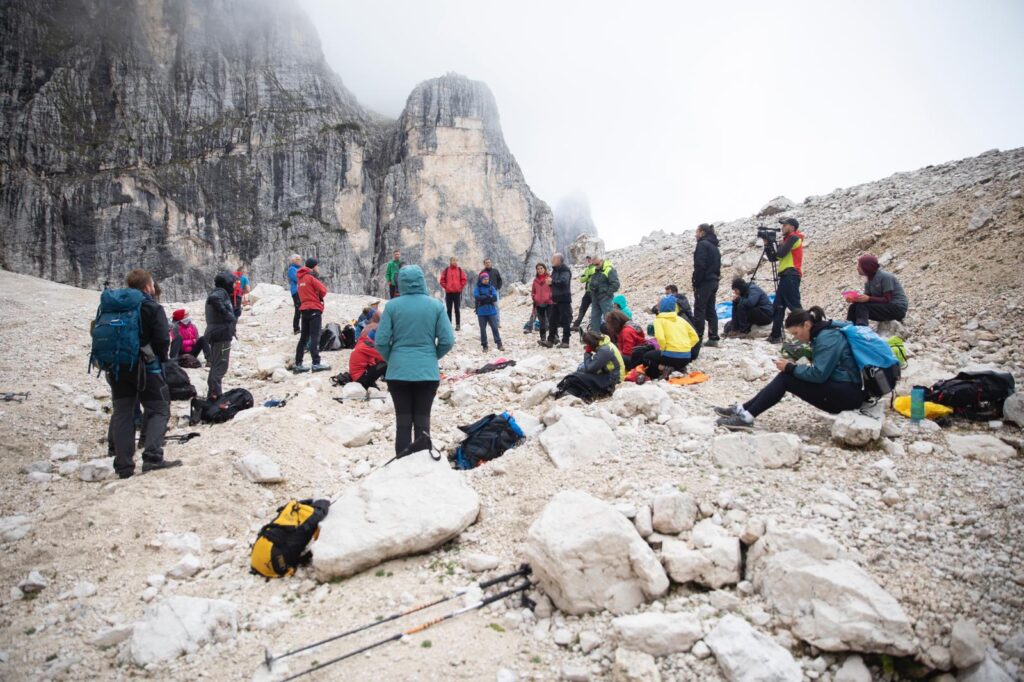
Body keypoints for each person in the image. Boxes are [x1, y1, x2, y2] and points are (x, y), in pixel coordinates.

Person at [715, 307, 864, 430]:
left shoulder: (827, 338)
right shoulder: (824, 334)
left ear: (806, 325)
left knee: (786, 378)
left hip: (848, 395)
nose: (796, 338)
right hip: (846, 388)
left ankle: (746, 417)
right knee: (786, 377)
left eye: (796, 333)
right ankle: (743, 410)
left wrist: (791, 368)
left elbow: (819, 374)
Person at [106, 269, 180, 478]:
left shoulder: (113, 305)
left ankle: (124, 466)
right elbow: (162, 339)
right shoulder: (150, 306)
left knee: (123, 412)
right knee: (159, 408)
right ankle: (152, 458)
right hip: (146, 365)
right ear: (148, 286)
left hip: (117, 366)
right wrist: (162, 361)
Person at [374, 265, 455, 454]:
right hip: (427, 373)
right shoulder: (436, 306)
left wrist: (392, 359)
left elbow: (381, 342)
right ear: (422, 281)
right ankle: (422, 470)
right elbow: (448, 341)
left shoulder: (392, 306)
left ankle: (402, 467)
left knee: (402, 424)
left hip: (398, 373)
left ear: (400, 283)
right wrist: (432, 356)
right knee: (422, 421)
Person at [554, 330, 625, 400]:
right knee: (579, 373)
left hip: (614, 381)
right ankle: (569, 391)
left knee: (578, 376)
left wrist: (587, 353)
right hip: (610, 374)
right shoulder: (605, 344)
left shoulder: (604, 350)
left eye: (587, 344)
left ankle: (569, 393)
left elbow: (590, 369)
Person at [643, 295, 700, 379]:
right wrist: (686, 347)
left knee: (646, 357)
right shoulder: (681, 320)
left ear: (661, 308)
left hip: (670, 356)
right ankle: (677, 368)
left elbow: (660, 338)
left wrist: (663, 349)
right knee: (664, 357)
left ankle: (661, 370)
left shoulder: (659, 320)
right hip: (686, 357)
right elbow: (695, 338)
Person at [768, 217, 805, 344]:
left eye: (785, 225)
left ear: (792, 227)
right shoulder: (787, 240)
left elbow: (781, 253)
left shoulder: (794, 238)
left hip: (791, 274)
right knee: (778, 306)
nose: (782, 227)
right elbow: (773, 258)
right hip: (786, 276)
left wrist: (776, 245)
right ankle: (775, 335)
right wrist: (768, 244)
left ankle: (809, 332)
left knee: (794, 306)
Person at [846, 254, 908, 327]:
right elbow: (867, 298)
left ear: (867, 267)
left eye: (859, 266)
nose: (857, 268)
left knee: (862, 307)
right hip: (885, 307)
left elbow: (887, 299)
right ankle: (849, 328)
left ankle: (862, 329)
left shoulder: (885, 277)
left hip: (897, 309)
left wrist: (868, 298)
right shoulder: (869, 280)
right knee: (854, 307)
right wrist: (854, 299)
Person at [294, 258, 330, 373]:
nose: (318, 268)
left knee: (303, 337)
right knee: (315, 336)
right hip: (314, 308)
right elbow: (324, 291)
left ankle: (298, 363)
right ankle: (316, 363)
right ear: (313, 266)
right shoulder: (311, 277)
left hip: (304, 309)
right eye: (317, 266)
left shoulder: (300, 279)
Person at [204, 272, 237, 400]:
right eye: (232, 283)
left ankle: (213, 394)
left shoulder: (221, 293)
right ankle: (216, 396)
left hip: (218, 333)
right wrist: (228, 315)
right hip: (221, 334)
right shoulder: (220, 293)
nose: (234, 286)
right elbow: (214, 299)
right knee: (220, 366)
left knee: (216, 365)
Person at [692, 223, 721, 348]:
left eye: (697, 232)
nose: (695, 235)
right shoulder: (714, 247)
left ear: (702, 232)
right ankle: (713, 337)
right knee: (711, 309)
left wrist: (696, 281)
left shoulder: (702, 245)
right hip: (714, 280)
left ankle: (697, 338)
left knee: (699, 309)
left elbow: (700, 265)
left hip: (704, 281)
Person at [587, 256, 620, 332]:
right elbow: (591, 283)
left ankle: (614, 337)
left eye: (595, 259)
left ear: (601, 259)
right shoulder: (594, 270)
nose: (595, 264)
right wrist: (591, 289)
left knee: (609, 319)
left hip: (605, 299)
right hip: (595, 299)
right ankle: (596, 338)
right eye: (593, 260)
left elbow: (616, 284)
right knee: (594, 319)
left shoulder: (609, 269)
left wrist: (606, 294)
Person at [546, 253, 573, 348]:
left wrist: (551, 282)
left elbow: (564, 282)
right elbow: (555, 284)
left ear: (559, 260)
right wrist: (550, 284)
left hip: (564, 299)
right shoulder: (555, 271)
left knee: (565, 320)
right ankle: (550, 341)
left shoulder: (565, 270)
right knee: (552, 320)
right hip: (556, 299)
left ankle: (566, 341)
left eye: (554, 259)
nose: (552, 260)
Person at [473, 272, 503, 352]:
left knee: (494, 328)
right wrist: (488, 297)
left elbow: (495, 298)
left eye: (487, 279)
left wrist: (484, 297)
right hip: (481, 312)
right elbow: (477, 297)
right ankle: (484, 346)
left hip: (491, 311)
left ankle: (499, 344)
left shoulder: (491, 288)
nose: (486, 280)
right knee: (483, 329)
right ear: (481, 279)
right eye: (484, 279)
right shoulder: (477, 288)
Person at [439, 257, 468, 331]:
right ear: (450, 261)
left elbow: (464, 280)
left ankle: (458, 325)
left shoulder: (459, 270)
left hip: (457, 293)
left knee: (457, 309)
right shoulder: (446, 270)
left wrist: (459, 287)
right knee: (449, 309)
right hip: (449, 293)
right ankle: (449, 324)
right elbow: (442, 280)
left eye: (456, 260)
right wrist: (447, 287)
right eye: (453, 260)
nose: (455, 262)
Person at [531, 263, 553, 346]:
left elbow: (553, 289)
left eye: (541, 268)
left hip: (549, 302)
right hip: (539, 303)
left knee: (551, 320)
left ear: (545, 269)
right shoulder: (535, 280)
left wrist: (550, 297)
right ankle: (543, 338)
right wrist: (534, 298)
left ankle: (554, 337)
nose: (540, 270)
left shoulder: (549, 278)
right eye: (538, 269)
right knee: (542, 322)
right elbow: (533, 291)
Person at [571, 262, 595, 331]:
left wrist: (587, 277)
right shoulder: (587, 269)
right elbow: (582, 279)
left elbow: (592, 279)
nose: (588, 261)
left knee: (594, 309)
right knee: (582, 308)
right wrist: (588, 276)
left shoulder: (596, 268)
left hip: (594, 292)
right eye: (587, 259)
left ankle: (594, 325)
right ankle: (576, 325)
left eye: (589, 259)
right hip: (587, 292)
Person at [480, 258, 503, 326]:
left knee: (496, 306)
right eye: (486, 262)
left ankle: (497, 323)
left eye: (489, 262)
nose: (488, 263)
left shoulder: (495, 271)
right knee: (487, 306)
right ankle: (489, 322)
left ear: (491, 263)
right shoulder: (482, 272)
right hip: (485, 292)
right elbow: (479, 282)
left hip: (494, 292)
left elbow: (500, 280)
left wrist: (498, 288)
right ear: (484, 264)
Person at [287, 254, 302, 334]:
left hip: (300, 291)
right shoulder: (292, 269)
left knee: (302, 309)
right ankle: (296, 329)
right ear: (293, 260)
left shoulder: (298, 269)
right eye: (298, 259)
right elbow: (297, 279)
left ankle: (301, 328)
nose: (300, 260)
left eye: (300, 259)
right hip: (296, 291)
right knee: (298, 309)